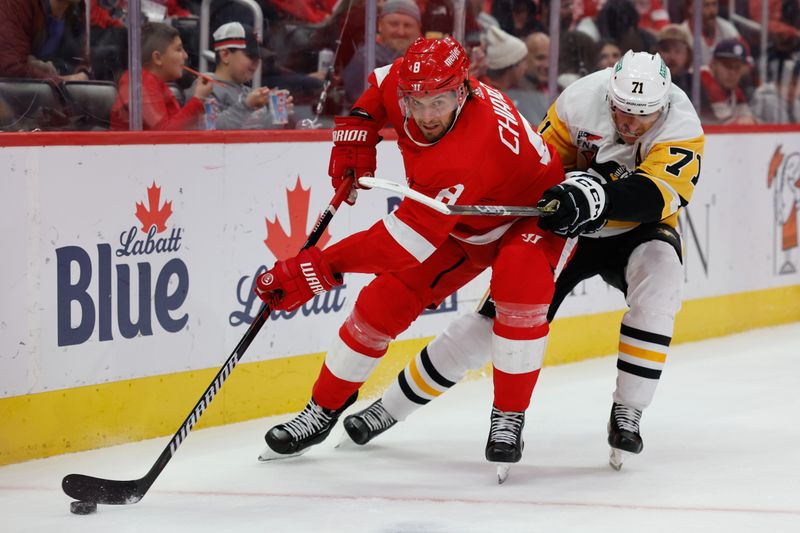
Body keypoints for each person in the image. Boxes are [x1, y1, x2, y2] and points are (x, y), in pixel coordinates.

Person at [344, 50, 705, 472]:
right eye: (621, 111)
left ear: (662, 106)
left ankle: (630, 409)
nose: (628, 124)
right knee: (491, 323)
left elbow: (658, 196)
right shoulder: (580, 100)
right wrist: (561, 193)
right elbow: (537, 162)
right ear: (609, 94)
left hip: (637, 228)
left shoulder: (682, 124)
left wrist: (598, 195)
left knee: (662, 283)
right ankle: (390, 407)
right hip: (566, 224)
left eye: (641, 117)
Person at [255, 37, 574, 472]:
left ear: (462, 91)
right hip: (461, 217)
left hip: (527, 218)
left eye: (438, 102)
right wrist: (361, 127)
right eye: (415, 102)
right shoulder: (414, 78)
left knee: (521, 291)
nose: (425, 116)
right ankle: (320, 411)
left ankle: (508, 418)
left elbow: (403, 244)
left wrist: (321, 267)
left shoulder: (465, 153)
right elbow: (381, 86)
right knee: (380, 305)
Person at [188, 22, 294, 130]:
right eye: (250, 56)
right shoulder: (204, 87)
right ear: (225, 55)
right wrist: (246, 106)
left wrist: (275, 118)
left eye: (258, 59)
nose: (256, 63)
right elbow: (210, 130)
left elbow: (258, 137)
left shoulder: (248, 92)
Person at [110, 22, 213, 131]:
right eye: (178, 49)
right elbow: (164, 135)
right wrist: (198, 99)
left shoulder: (152, 82)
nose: (185, 56)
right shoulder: (140, 85)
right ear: (158, 58)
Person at [342, 0, 422, 107]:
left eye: (407, 25)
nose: (401, 32)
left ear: (419, 29)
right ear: (380, 25)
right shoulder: (366, 60)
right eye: (394, 24)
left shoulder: (428, 61)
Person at [0, 0, 90, 81]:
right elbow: (10, 68)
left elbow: (83, 64)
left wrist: (83, 74)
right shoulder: (16, 4)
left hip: (44, 89)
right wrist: (59, 82)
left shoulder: (76, 10)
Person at [699, 38, 756, 125]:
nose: (732, 72)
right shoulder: (700, 81)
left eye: (737, 67)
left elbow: (748, 119)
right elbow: (724, 126)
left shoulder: (733, 89)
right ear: (713, 64)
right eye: (727, 65)